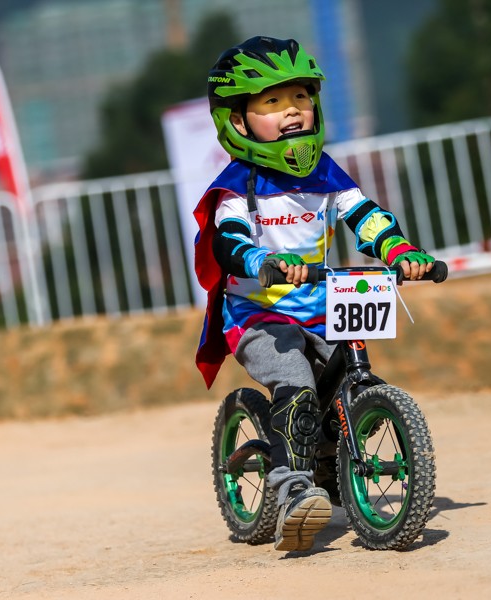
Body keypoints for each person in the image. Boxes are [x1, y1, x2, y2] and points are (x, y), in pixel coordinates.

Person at [193, 36, 436, 552]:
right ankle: (290, 490)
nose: (292, 113)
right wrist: (265, 262)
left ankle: (330, 460)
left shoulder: (325, 173)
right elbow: (228, 241)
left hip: (322, 304)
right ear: (237, 121)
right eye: (272, 103)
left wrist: (400, 253)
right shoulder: (239, 186)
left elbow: (365, 215)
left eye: (300, 98)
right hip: (259, 313)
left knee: (357, 379)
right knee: (295, 379)